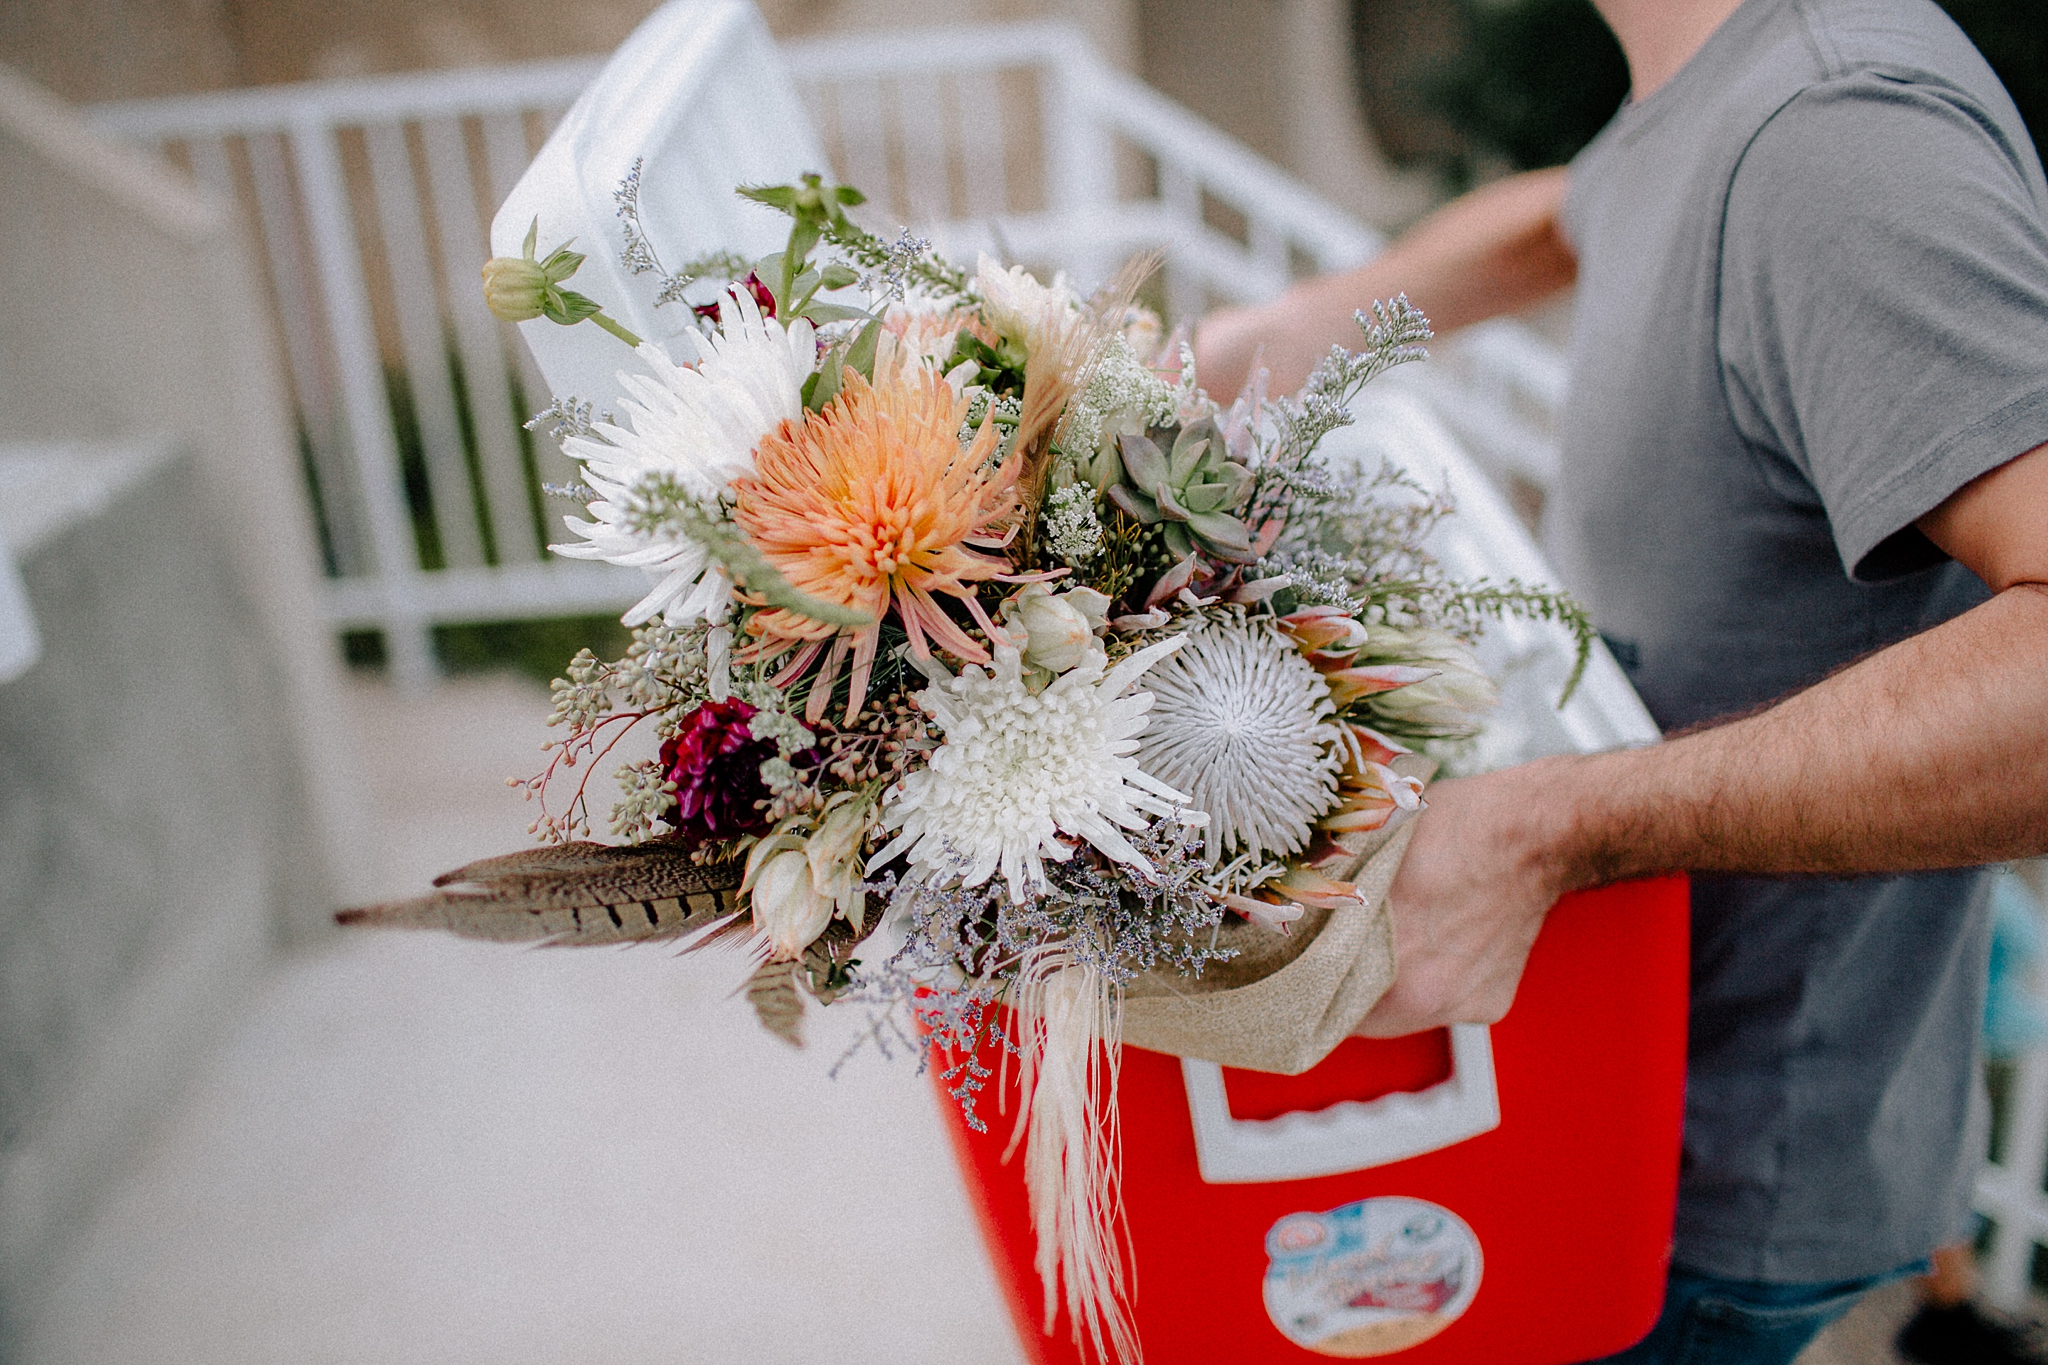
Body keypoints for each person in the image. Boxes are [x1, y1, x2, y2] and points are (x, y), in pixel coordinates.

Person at [1195, 0, 2048, 1359]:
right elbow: (1576, 208)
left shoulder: (1839, 134)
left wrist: (1549, 824)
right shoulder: (1710, 83)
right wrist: (1308, 325)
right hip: (1606, 1099)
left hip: (1704, 1195)